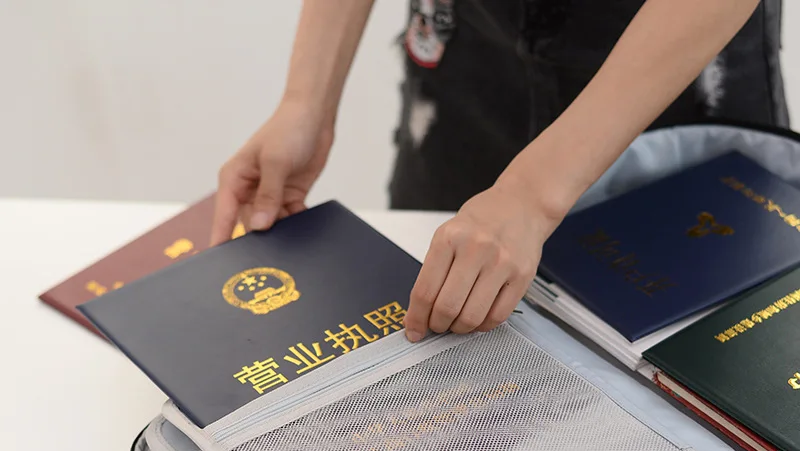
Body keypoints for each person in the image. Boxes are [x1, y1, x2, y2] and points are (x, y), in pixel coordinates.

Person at [210, 0, 788, 342]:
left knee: (683, 378)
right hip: (463, 63)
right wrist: (306, 101)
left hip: (671, 73)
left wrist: (532, 195)